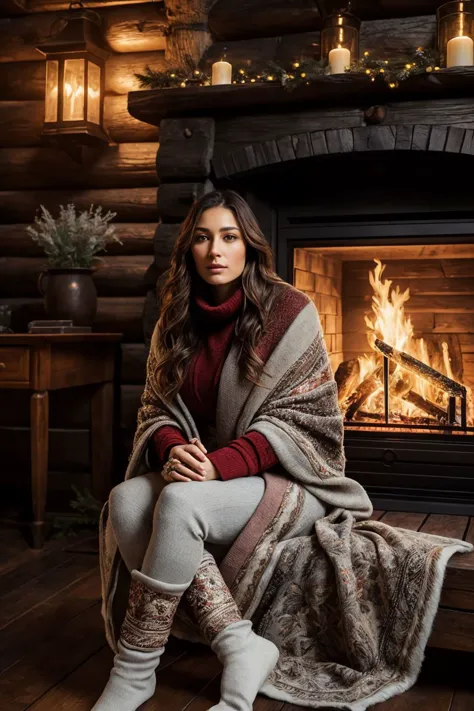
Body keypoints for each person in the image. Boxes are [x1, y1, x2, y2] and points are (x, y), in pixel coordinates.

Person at [93, 188, 373, 710]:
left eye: (229, 237)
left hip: (290, 477)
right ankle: (240, 645)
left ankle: (133, 672)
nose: (215, 250)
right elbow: (155, 410)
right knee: (127, 502)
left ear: (249, 246)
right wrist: (174, 450)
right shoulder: (174, 317)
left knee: (177, 504)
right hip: (204, 476)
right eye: (202, 238)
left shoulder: (291, 310)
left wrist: (217, 466)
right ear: (189, 250)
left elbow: (303, 421)